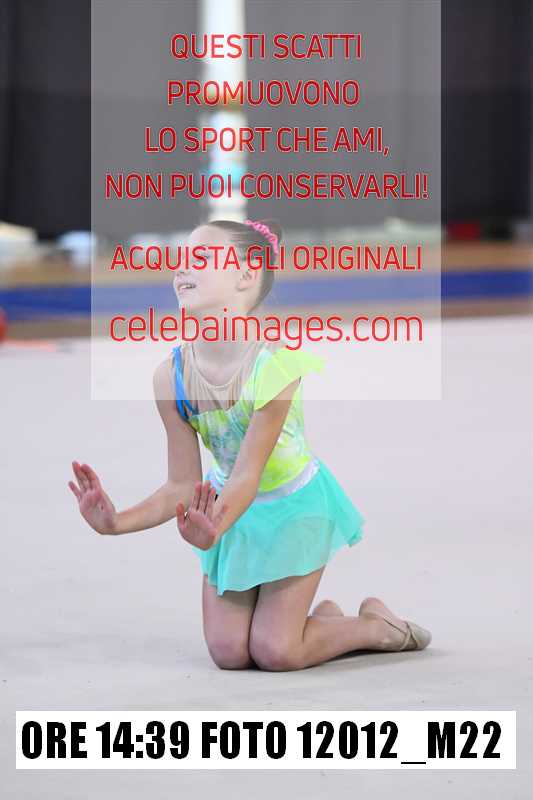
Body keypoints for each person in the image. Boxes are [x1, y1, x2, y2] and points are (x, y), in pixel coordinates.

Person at [69, 218, 431, 671]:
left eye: (201, 257)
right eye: (181, 258)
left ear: (246, 275)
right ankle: (321, 622)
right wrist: (115, 522)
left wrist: (214, 526)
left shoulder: (275, 367)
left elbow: (248, 474)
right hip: (229, 513)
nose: (182, 267)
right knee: (228, 652)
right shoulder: (171, 377)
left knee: (276, 652)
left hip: (291, 509)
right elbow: (181, 484)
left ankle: (376, 627)